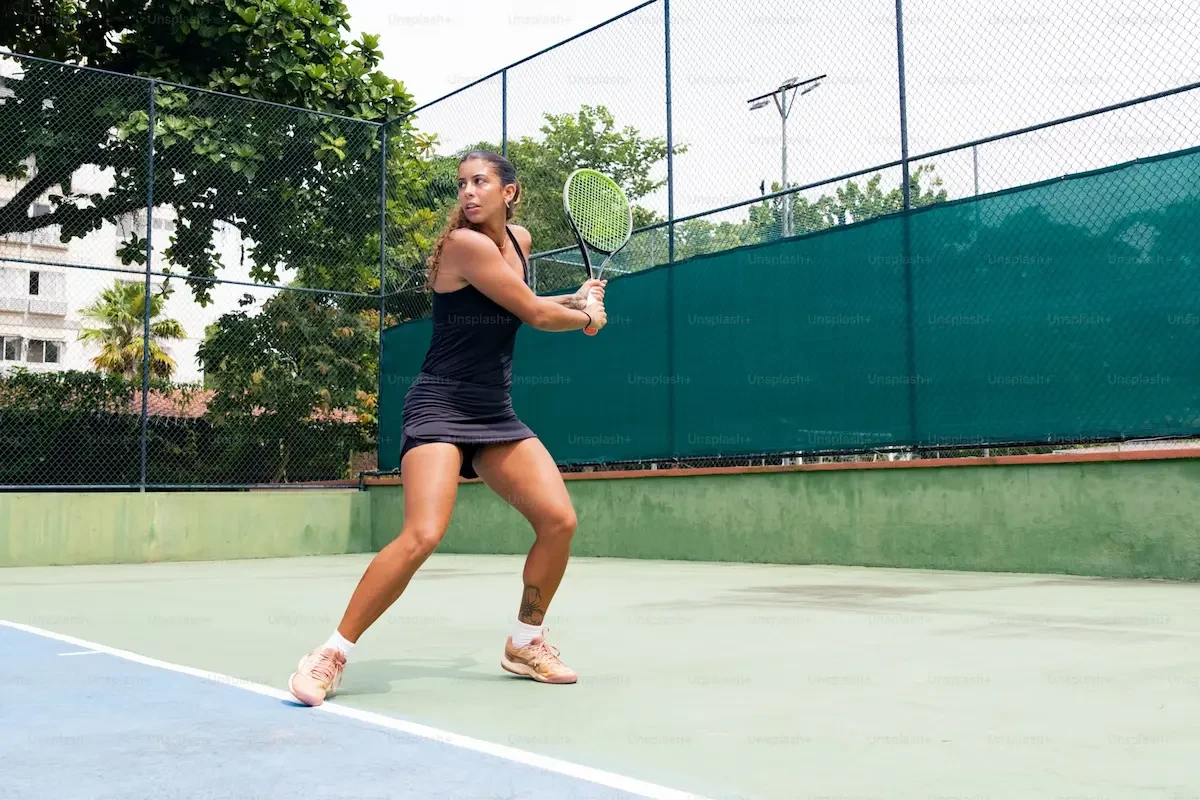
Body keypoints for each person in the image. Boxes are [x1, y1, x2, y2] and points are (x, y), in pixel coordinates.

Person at [287, 149, 607, 706]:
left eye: (480, 182)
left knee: (558, 521)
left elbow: (519, 303)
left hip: (492, 410)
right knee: (423, 534)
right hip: (439, 405)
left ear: (511, 192)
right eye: (462, 184)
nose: (468, 193)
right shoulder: (464, 246)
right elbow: (534, 316)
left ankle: (526, 641)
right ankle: (332, 653)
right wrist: (584, 317)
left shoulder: (520, 242)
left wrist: (571, 299)